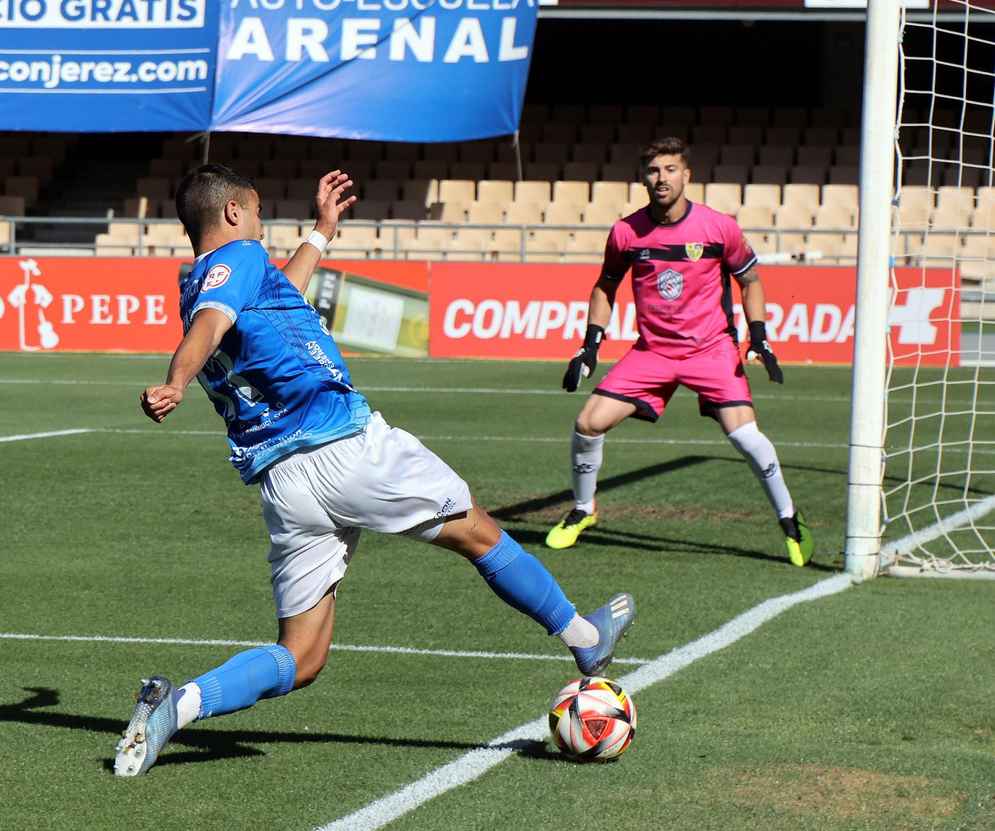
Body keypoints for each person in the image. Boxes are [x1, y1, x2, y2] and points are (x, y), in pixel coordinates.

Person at [112, 165, 635, 777]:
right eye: (255, 211)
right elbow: (213, 324)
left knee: (301, 657)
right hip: (345, 448)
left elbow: (273, 298)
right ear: (232, 214)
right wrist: (175, 381)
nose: (260, 223)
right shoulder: (239, 258)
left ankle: (178, 706)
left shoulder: (205, 281)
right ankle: (583, 637)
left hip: (285, 483)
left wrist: (322, 233)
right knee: (479, 532)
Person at [551, 137, 813, 566]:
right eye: (654, 171)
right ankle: (583, 510)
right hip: (652, 352)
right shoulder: (626, 232)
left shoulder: (718, 227)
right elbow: (605, 286)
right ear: (643, 178)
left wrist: (759, 337)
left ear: (686, 175)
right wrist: (590, 344)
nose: (661, 179)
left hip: (711, 349)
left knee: (746, 437)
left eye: (670, 170)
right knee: (587, 423)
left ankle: (789, 518)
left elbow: (751, 282)